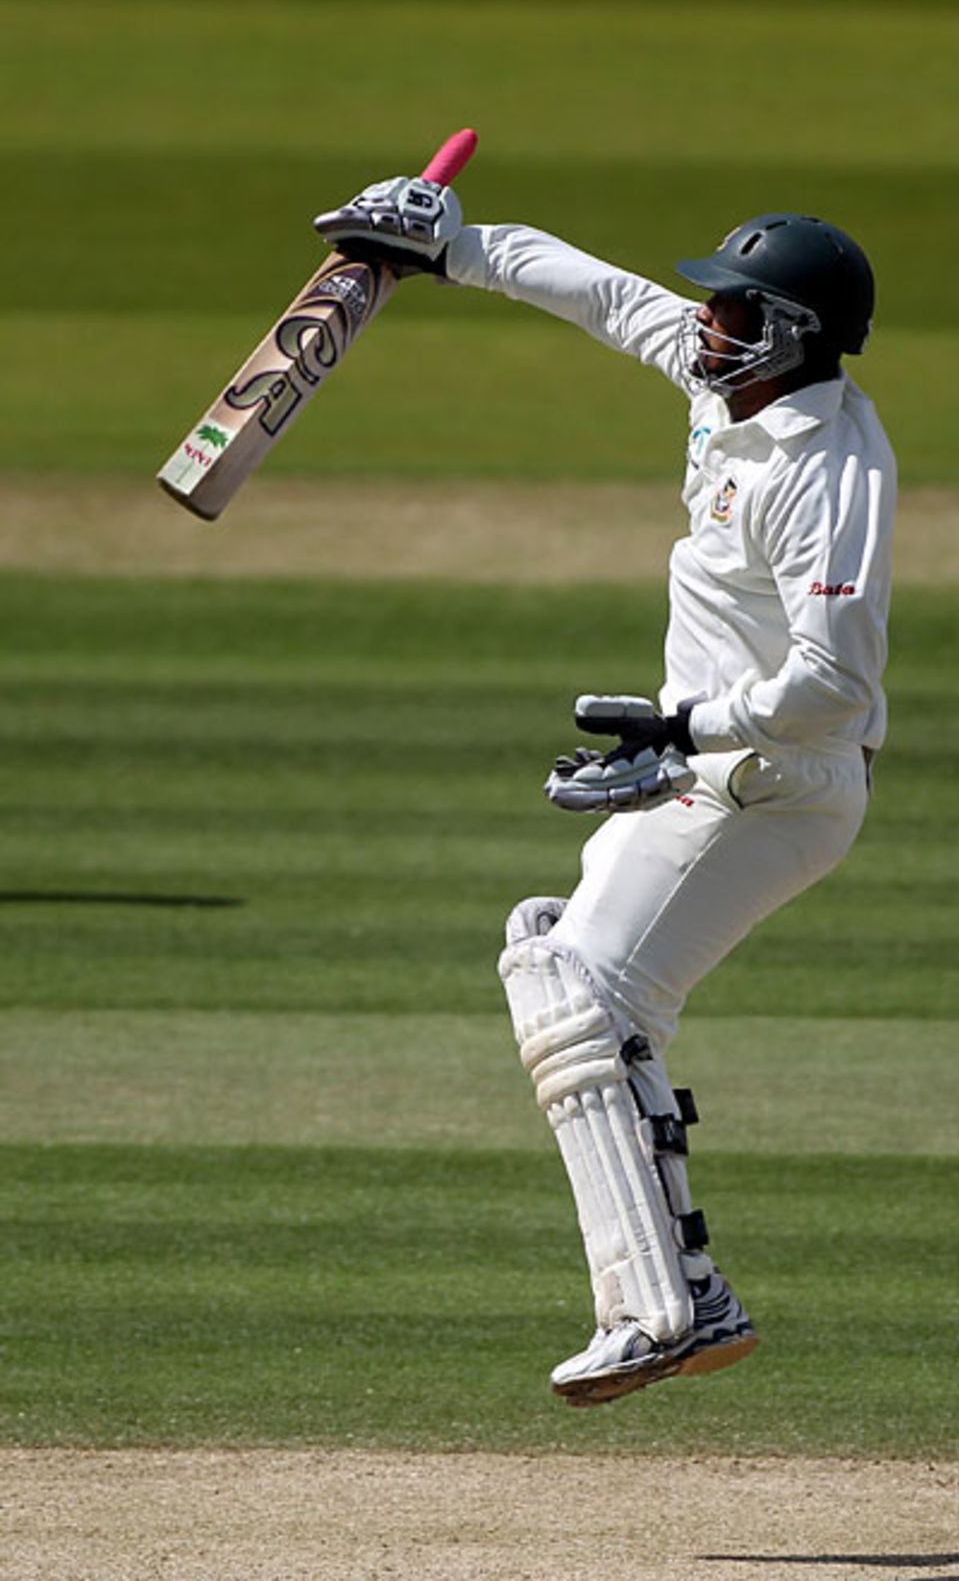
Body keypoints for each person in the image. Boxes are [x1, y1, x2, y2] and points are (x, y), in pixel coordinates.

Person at [315, 176, 897, 1408]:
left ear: (791, 334)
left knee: (582, 990)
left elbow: (831, 686)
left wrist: (677, 724)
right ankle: (680, 1293)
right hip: (711, 769)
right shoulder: (728, 386)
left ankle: (664, 1308)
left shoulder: (827, 473)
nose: (707, 324)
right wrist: (452, 243)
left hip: (774, 783)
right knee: (561, 971)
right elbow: (606, 296)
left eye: (735, 311)